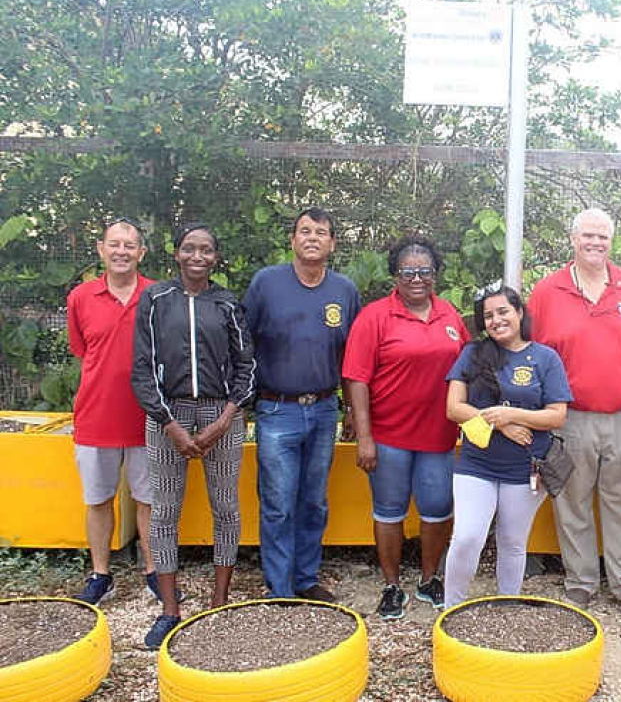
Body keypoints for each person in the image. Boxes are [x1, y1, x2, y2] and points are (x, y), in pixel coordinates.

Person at [528, 207, 621, 619]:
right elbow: (529, 355)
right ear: (572, 239)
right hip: (568, 417)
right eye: (588, 235)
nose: (595, 243)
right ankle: (580, 582)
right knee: (571, 502)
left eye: (603, 236)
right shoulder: (547, 292)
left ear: (612, 241)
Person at [131, 223, 255, 649]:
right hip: (168, 416)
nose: (197, 256)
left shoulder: (227, 303)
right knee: (165, 511)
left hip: (222, 414)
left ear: (216, 256)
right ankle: (169, 609)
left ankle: (221, 598)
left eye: (206, 249)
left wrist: (224, 420)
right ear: (177, 254)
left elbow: (247, 366)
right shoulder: (155, 300)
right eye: (189, 249)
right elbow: (142, 370)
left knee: (226, 509)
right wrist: (171, 426)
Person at [343, 236, 469, 620]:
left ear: (435, 274)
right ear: (395, 275)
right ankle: (391, 585)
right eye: (408, 271)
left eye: (425, 271)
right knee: (389, 511)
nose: (417, 278)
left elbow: (468, 370)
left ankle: (430, 579)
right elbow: (356, 379)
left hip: (437, 437)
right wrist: (365, 437)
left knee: (437, 509)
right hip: (388, 437)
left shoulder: (450, 317)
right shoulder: (375, 316)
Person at [243, 208, 361, 601]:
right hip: (277, 410)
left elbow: (352, 356)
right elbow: (244, 344)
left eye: (321, 232)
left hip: (326, 409)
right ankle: (280, 588)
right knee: (278, 502)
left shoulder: (344, 291)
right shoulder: (266, 284)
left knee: (313, 500)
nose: (312, 237)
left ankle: (307, 579)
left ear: (332, 243)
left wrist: (351, 411)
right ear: (292, 240)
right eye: (304, 231)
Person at [443, 282, 572, 607]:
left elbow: (557, 416)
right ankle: (450, 608)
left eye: (503, 311)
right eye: (488, 316)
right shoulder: (472, 353)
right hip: (477, 464)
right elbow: (454, 408)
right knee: (467, 537)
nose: (496, 320)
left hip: (526, 468)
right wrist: (504, 426)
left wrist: (511, 414)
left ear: (519, 313)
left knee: (513, 542)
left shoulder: (545, 358)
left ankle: (507, 608)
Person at [67, 218, 159, 605]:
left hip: (148, 419)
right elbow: (82, 350)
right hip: (96, 418)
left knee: (150, 501)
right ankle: (101, 574)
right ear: (101, 249)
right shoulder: (80, 298)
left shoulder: (158, 296)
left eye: (130, 245)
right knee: (98, 499)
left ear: (141, 253)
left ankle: (155, 572)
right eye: (114, 244)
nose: (122, 251)